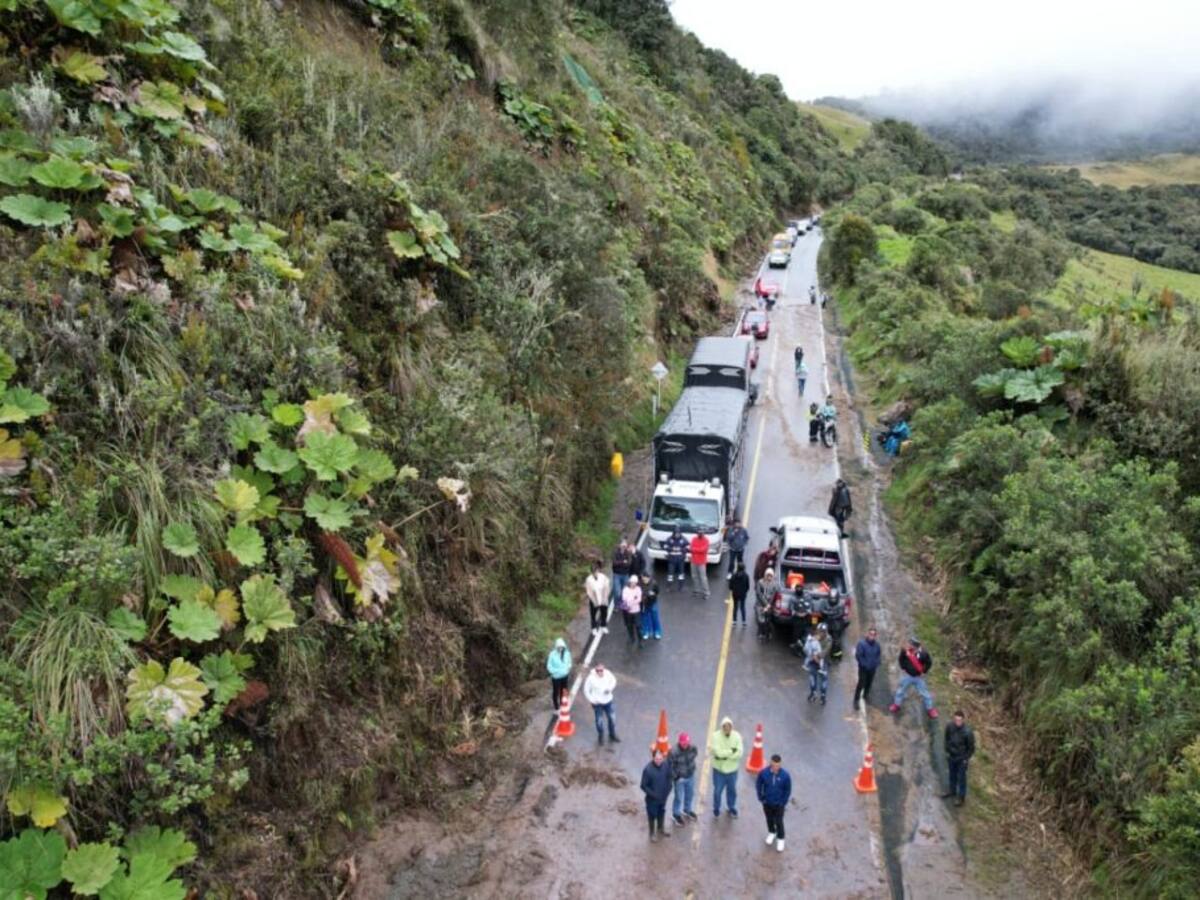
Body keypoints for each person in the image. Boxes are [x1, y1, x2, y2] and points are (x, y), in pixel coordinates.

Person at [889, 638, 938, 718]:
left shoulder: (923, 653)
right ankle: (896, 704)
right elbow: (901, 659)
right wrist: (903, 667)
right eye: (910, 644)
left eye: (911, 644)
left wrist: (924, 671)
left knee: (925, 693)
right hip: (908, 675)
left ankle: (930, 709)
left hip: (918, 677)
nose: (909, 645)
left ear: (916, 646)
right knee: (900, 691)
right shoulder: (906, 651)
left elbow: (929, 663)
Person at [756, 754, 792, 853]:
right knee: (769, 819)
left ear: (780, 764)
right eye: (774, 765)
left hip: (779, 805)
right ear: (771, 763)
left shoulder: (785, 776)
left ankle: (781, 838)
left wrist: (783, 802)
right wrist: (761, 797)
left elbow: (787, 790)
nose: (776, 768)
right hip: (767, 803)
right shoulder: (764, 773)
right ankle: (772, 832)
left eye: (778, 765)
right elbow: (759, 784)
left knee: (779, 821)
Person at [710, 716, 743, 818]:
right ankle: (716, 808)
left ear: (731, 726)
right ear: (722, 727)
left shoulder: (737, 736)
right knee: (717, 792)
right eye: (725, 726)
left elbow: (740, 753)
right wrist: (731, 751)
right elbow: (717, 752)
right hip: (719, 771)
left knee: (732, 791)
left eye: (729, 726)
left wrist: (725, 755)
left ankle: (731, 807)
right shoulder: (715, 736)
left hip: (732, 771)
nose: (727, 728)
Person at [943, 711, 976, 807]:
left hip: (961, 759)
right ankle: (952, 791)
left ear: (963, 720)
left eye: (960, 720)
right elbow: (946, 738)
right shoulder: (949, 726)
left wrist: (966, 759)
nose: (958, 722)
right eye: (956, 720)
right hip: (952, 756)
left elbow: (971, 748)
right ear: (953, 719)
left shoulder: (968, 732)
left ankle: (961, 797)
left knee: (961, 778)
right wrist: (947, 750)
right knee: (952, 774)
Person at [641, 747, 673, 842]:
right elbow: (643, 786)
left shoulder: (666, 765)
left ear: (663, 758)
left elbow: (669, 777)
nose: (659, 761)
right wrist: (653, 795)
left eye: (660, 759)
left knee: (661, 813)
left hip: (663, 798)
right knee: (652, 816)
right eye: (657, 759)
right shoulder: (648, 770)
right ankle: (652, 833)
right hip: (652, 800)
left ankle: (660, 829)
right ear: (653, 758)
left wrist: (669, 789)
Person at [583, 663, 619, 744]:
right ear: (595, 670)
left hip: (608, 701)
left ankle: (612, 734)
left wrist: (610, 689)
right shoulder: (591, 678)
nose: (600, 672)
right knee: (599, 720)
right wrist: (592, 700)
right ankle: (601, 735)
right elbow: (586, 690)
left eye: (601, 670)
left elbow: (613, 681)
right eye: (598, 670)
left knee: (612, 718)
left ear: (604, 669)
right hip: (597, 703)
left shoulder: (608, 674)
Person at [668, 732, 698, 826]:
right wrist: (676, 777)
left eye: (687, 743)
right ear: (679, 742)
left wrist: (691, 770)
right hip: (680, 779)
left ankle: (687, 810)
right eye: (683, 743)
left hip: (690, 776)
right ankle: (676, 814)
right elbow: (669, 766)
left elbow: (695, 754)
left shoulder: (692, 748)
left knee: (690, 794)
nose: (685, 745)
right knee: (678, 798)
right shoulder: (673, 752)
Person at [853, 627, 882, 710]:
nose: (872, 636)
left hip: (872, 669)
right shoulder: (862, 644)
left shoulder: (877, 645)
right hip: (863, 669)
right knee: (861, 683)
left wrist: (877, 663)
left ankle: (865, 696)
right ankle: (856, 700)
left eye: (874, 634)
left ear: (876, 636)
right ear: (868, 634)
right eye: (871, 634)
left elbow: (878, 655)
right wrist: (864, 665)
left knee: (869, 683)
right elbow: (858, 656)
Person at [585, 561, 610, 636]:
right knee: (593, 615)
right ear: (591, 572)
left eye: (596, 571)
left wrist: (605, 597)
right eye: (593, 572)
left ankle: (603, 626)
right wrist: (594, 600)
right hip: (594, 599)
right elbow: (589, 591)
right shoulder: (588, 579)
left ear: (598, 570)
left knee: (604, 613)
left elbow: (606, 586)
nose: (595, 573)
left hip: (603, 598)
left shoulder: (603, 577)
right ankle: (593, 628)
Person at [546, 637, 571, 711]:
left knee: (564, 691)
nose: (560, 648)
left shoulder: (567, 653)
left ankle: (563, 703)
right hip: (556, 677)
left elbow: (569, 662)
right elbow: (549, 666)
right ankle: (556, 706)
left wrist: (568, 668)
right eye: (559, 647)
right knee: (556, 691)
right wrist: (555, 672)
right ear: (556, 647)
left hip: (565, 676)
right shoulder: (552, 654)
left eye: (562, 647)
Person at [620, 575, 643, 647]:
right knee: (629, 626)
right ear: (630, 582)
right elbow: (624, 599)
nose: (633, 584)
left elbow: (639, 599)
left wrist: (631, 602)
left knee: (638, 626)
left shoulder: (638, 589)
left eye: (635, 583)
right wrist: (633, 600)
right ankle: (632, 638)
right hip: (628, 612)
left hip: (636, 611)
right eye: (632, 582)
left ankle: (640, 640)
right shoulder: (625, 589)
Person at [754, 568, 776, 640]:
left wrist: (769, 605)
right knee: (760, 620)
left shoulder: (773, 584)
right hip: (760, 604)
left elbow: (773, 595)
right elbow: (759, 594)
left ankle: (768, 633)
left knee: (768, 621)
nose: (769, 577)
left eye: (771, 576)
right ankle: (761, 633)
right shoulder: (760, 582)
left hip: (769, 606)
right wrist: (766, 604)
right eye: (768, 575)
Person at [611, 538, 634, 604]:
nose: (624, 546)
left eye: (625, 544)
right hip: (617, 574)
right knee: (617, 592)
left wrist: (620, 563)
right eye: (622, 544)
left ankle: (622, 603)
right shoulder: (615, 552)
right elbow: (614, 563)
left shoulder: (628, 553)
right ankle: (616, 604)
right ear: (619, 545)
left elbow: (629, 563)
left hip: (625, 574)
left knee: (625, 591)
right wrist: (623, 562)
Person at [689, 531, 710, 598]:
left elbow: (703, 550)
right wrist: (697, 550)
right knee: (694, 576)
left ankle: (706, 592)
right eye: (699, 533)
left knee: (703, 578)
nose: (700, 534)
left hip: (701, 562)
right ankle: (696, 590)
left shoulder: (706, 540)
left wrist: (694, 550)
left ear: (703, 534)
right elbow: (691, 548)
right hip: (693, 561)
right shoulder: (694, 539)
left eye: (701, 533)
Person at [730, 561, 750, 626]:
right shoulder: (746, 576)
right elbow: (747, 586)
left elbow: (730, 586)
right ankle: (744, 621)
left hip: (735, 594)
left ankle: (734, 621)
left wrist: (733, 590)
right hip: (743, 594)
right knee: (742, 607)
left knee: (735, 607)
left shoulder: (734, 575)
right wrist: (744, 591)